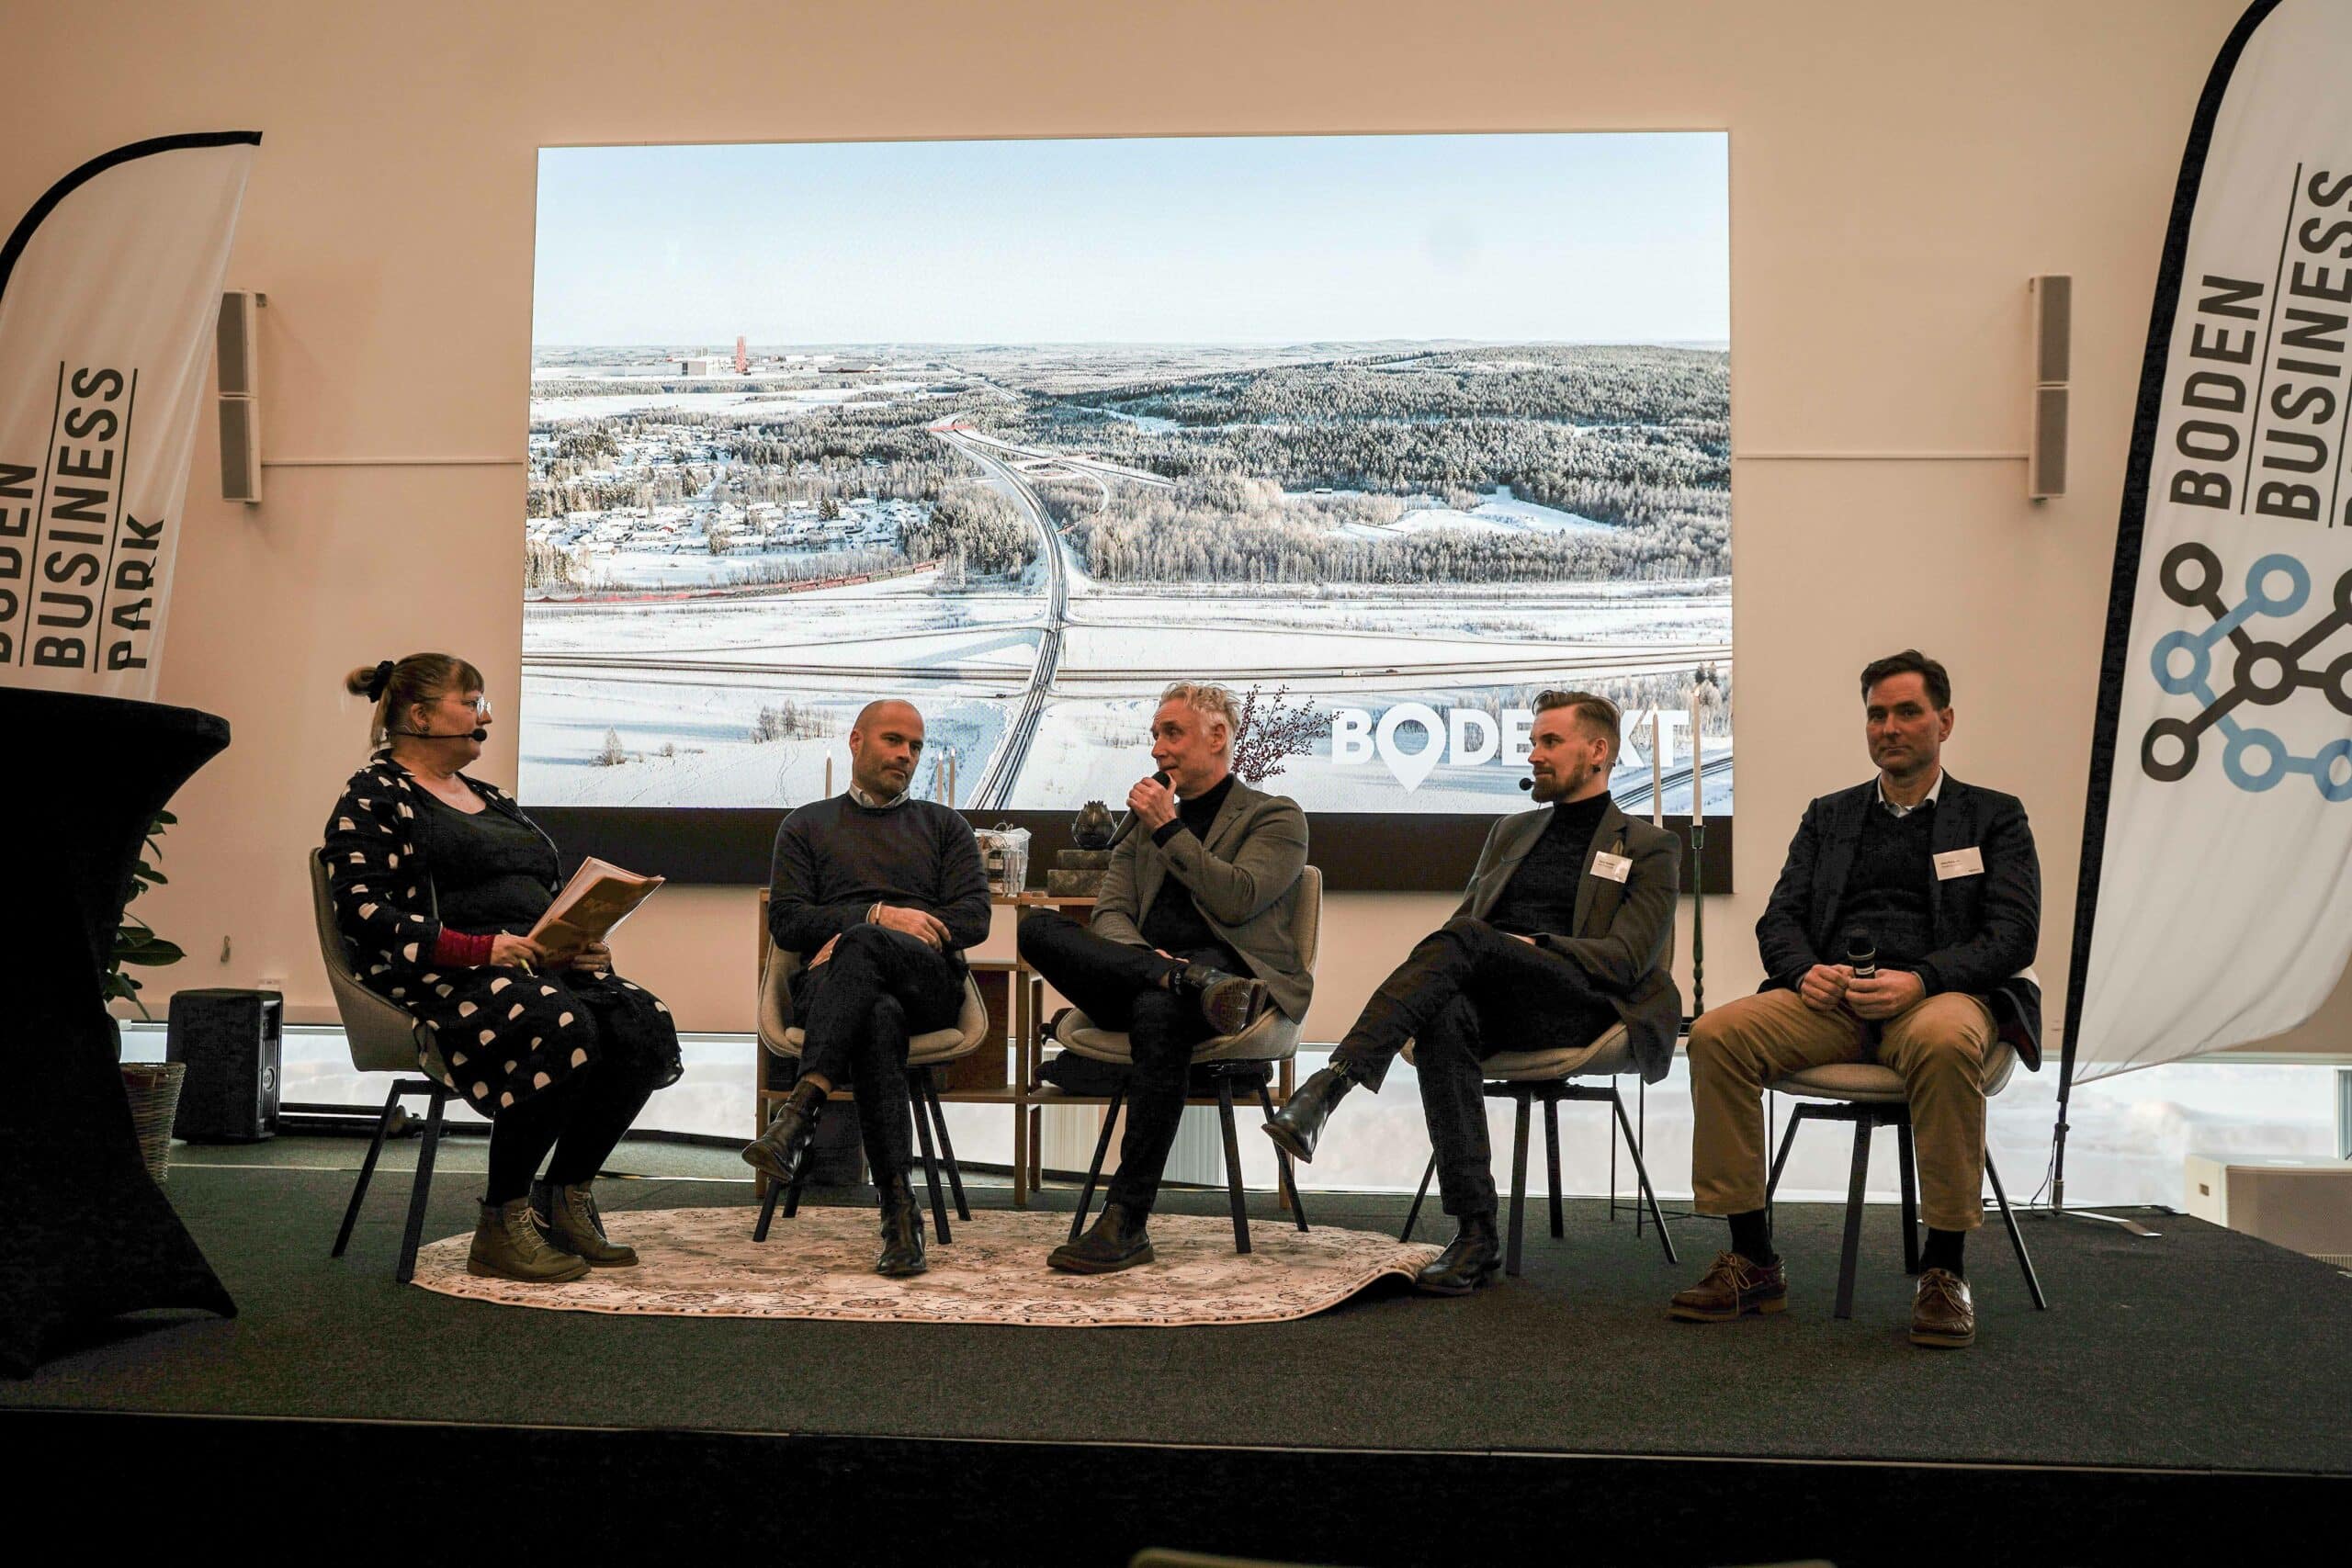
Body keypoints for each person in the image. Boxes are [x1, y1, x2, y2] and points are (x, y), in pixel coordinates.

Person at [1672, 650, 2040, 1348]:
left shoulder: (1994, 817)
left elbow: (2013, 934)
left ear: (1945, 721)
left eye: (1907, 712)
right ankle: (1753, 1259)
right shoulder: (1830, 815)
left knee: (1940, 1040)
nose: (1889, 726)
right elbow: (1778, 918)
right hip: (1831, 998)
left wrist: (1924, 978)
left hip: (1938, 994)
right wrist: (1806, 970)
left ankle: (1944, 1269)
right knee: (1719, 1034)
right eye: (1877, 713)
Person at [1264, 690, 1681, 1294]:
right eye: (1533, 741)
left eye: (1550, 742)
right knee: (1443, 1014)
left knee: (1466, 940)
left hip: (1584, 1002)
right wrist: (1492, 947)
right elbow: (1462, 940)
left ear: (1598, 751)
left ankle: (1332, 1084)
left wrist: (1535, 944)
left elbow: (1625, 959)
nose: (1534, 753)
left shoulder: (1647, 846)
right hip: (1501, 998)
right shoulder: (1511, 830)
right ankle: (1475, 1233)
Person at [323, 655, 681, 1284]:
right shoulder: (373, 796)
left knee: (642, 1024)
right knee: (561, 1025)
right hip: (439, 978)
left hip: (530, 969)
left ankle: (565, 1194)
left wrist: (581, 941)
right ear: (420, 715)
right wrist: (477, 948)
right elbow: (362, 914)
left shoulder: (490, 798)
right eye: (473, 701)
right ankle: (501, 1220)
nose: (486, 715)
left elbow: (537, 891)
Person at [1018, 681, 1309, 1274]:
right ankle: (1178, 979)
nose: (1157, 748)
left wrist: (1169, 828)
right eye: (1155, 734)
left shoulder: (1275, 817)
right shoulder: (1140, 824)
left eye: (1171, 732)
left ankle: (1126, 1218)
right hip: (1148, 977)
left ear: (1218, 736)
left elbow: (1237, 897)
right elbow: (1110, 913)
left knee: (1158, 1013)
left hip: (1229, 990)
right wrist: (1157, 967)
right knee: (1035, 928)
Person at [741, 698, 990, 1278]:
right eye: (893, 741)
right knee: (876, 1014)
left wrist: (873, 927)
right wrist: (876, 915)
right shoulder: (805, 825)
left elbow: (975, 920)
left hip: (926, 986)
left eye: (916, 746)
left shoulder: (945, 826)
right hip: (839, 990)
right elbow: (788, 923)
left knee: (861, 945)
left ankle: (801, 1111)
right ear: (856, 742)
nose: (906, 755)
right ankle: (900, 1214)